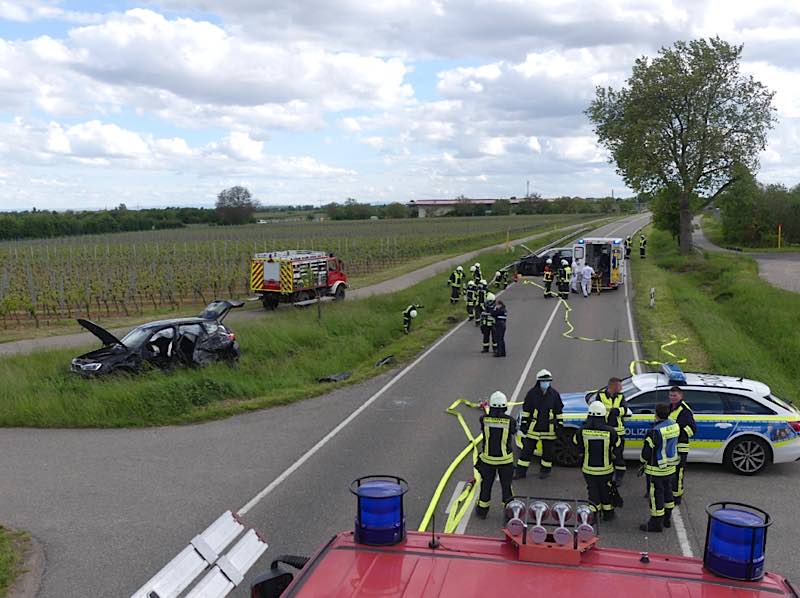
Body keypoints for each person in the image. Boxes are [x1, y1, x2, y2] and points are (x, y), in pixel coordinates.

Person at [573, 401, 619, 520]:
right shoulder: (611, 431)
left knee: (593, 492)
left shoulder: (582, 431)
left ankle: (593, 515)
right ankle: (608, 514)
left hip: (589, 469)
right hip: (606, 469)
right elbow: (618, 447)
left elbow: (576, 445)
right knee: (605, 491)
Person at [514, 369, 563, 479]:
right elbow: (526, 410)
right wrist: (524, 424)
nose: (546, 383)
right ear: (538, 382)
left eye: (548, 381)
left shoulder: (554, 394)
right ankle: (520, 472)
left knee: (547, 452)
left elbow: (558, 411)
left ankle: (545, 471)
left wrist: (560, 425)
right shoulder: (532, 394)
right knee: (526, 451)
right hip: (534, 428)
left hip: (549, 429)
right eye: (544, 381)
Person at [475, 391, 516, 519]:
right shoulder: (510, 421)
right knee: (506, 487)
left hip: (488, 461)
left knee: (486, 486)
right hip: (505, 461)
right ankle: (509, 514)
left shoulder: (484, 419)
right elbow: (514, 431)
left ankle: (482, 511)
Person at [639, 403, 680, 532]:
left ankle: (656, 523)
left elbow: (646, 453)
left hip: (656, 469)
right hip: (671, 467)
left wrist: (642, 462)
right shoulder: (675, 425)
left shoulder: (654, 432)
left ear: (656, 414)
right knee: (668, 493)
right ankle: (667, 519)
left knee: (656, 496)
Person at [590, 377, 628, 484]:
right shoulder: (601, 395)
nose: (621, 388)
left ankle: (619, 476)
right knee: (605, 454)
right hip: (604, 431)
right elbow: (597, 408)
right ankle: (606, 476)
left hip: (618, 432)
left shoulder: (621, 396)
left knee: (618, 455)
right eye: (620, 386)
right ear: (613, 386)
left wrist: (616, 411)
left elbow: (624, 409)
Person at [668, 386, 696, 505]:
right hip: (670, 446)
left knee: (678, 473)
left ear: (681, 396)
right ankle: (670, 492)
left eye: (675, 395)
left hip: (680, 447)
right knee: (671, 472)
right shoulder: (670, 407)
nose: (672, 398)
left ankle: (677, 497)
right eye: (670, 395)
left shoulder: (684, 410)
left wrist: (677, 434)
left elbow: (692, 429)